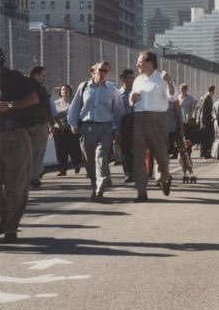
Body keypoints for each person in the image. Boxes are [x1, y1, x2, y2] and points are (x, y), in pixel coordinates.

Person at [68, 61, 124, 201]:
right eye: (101, 70)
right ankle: (95, 186)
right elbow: (74, 107)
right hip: (87, 128)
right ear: (93, 71)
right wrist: (73, 124)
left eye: (106, 71)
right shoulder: (84, 87)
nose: (103, 73)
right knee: (89, 161)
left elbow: (118, 111)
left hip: (105, 128)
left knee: (101, 157)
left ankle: (100, 187)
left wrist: (118, 130)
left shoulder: (113, 89)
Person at [0, 48, 39, 244]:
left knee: (16, 185)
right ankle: (4, 218)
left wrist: (11, 105)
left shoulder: (15, 78)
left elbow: (34, 99)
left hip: (15, 135)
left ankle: (11, 227)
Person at [130, 50, 175, 202]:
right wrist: (132, 98)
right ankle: (141, 191)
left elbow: (172, 97)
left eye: (140, 62)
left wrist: (169, 82)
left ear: (149, 63)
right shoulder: (137, 80)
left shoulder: (162, 78)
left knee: (161, 155)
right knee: (139, 157)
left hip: (158, 120)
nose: (137, 65)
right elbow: (132, 100)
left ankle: (163, 178)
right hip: (140, 119)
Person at [26, 65, 52, 188]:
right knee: (37, 152)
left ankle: (33, 175)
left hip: (32, 124)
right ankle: (33, 177)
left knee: (31, 152)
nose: (44, 78)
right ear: (35, 74)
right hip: (36, 123)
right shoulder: (34, 88)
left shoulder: (26, 86)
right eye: (42, 75)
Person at [50, 84, 84, 176]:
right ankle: (62, 169)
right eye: (63, 90)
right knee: (60, 150)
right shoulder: (56, 103)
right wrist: (52, 127)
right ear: (60, 92)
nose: (64, 91)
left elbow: (73, 112)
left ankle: (77, 163)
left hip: (71, 129)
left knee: (73, 148)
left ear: (70, 91)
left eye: (67, 90)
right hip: (59, 129)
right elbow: (52, 114)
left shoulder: (74, 102)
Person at [118, 69, 136, 182]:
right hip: (124, 123)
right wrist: (117, 130)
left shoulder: (138, 92)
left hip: (137, 121)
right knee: (125, 150)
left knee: (138, 150)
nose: (132, 80)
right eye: (129, 78)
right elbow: (116, 113)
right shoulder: (118, 94)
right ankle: (129, 173)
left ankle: (140, 172)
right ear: (123, 79)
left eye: (133, 77)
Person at [197, 85, 217, 158]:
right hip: (206, 122)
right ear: (213, 90)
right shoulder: (206, 98)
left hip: (208, 121)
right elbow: (203, 111)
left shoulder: (208, 98)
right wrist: (203, 122)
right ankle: (203, 153)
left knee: (208, 138)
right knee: (205, 138)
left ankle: (207, 153)